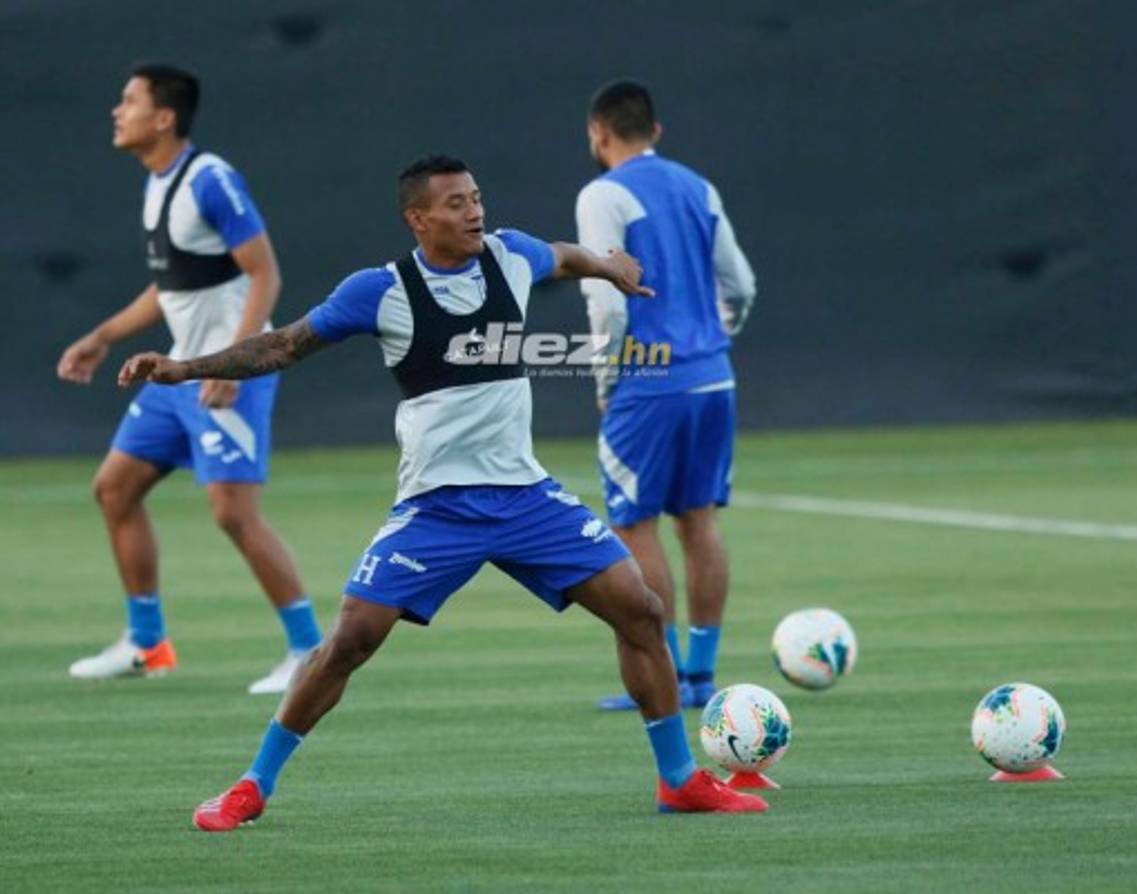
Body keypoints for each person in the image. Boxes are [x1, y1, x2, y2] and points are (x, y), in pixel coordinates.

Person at [118, 155, 768, 830]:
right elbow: (282, 347)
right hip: (437, 507)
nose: (474, 212)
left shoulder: (511, 255)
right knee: (348, 642)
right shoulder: (380, 290)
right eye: (455, 203)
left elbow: (563, 256)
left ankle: (678, 781)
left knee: (640, 610)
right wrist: (183, 368)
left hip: (526, 498)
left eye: (477, 197)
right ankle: (252, 786)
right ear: (418, 219)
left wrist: (608, 265)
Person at [56, 64, 320, 694]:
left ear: (164, 117)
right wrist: (103, 336)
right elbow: (171, 287)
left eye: (129, 101)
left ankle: (310, 651)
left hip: (225, 372)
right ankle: (148, 644)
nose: (117, 112)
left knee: (233, 512)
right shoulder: (158, 184)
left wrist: (236, 361)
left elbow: (266, 274)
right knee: (114, 488)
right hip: (180, 371)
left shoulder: (210, 180)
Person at [576, 80, 757, 711]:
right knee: (700, 521)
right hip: (712, 375)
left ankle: (668, 677)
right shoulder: (698, 186)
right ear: (655, 131)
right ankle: (701, 675)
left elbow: (606, 298)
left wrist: (607, 377)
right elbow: (740, 281)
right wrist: (714, 336)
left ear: (598, 134)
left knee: (633, 523)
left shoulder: (603, 195)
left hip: (650, 381)